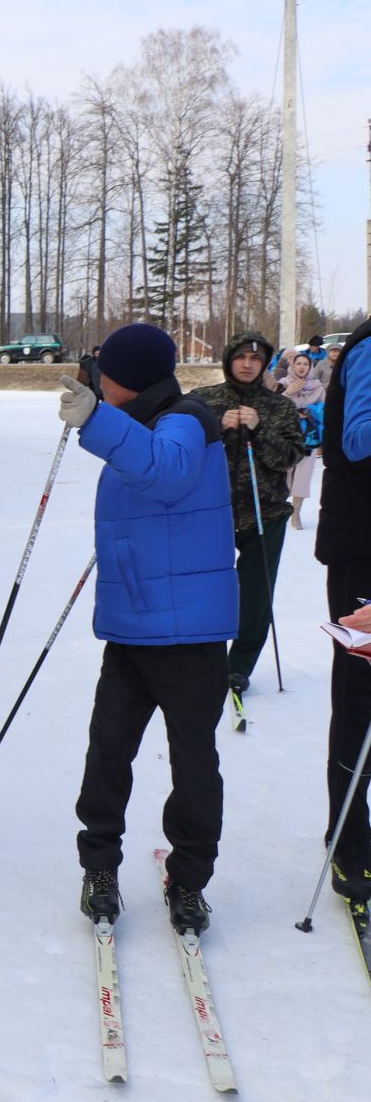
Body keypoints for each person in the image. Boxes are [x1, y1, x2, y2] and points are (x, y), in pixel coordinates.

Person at [56, 324, 236, 933]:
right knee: (108, 750)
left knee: (191, 761)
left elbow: (165, 473)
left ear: (124, 377)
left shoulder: (186, 418)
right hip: (136, 625)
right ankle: (99, 865)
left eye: (103, 371)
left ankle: (189, 879)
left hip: (188, 635)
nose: (96, 380)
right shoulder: (139, 421)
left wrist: (95, 423)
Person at [189, 332, 303, 697]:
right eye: (240, 357)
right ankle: (202, 661)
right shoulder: (202, 401)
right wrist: (215, 426)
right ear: (228, 360)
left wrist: (260, 428)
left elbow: (290, 457)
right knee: (207, 591)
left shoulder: (280, 407)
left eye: (255, 359)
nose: (247, 364)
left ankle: (239, 667)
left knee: (255, 597)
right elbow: (179, 447)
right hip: (210, 513)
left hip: (264, 513)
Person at [315, 316, 371, 900]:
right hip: (363, 548)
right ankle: (348, 836)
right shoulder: (370, 347)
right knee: (360, 694)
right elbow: (357, 438)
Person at [280, 351, 325, 528]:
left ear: (310, 367)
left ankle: (296, 513)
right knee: (284, 474)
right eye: (298, 363)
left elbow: (324, 410)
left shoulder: (318, 387)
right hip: (286, 437)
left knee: (302, 477)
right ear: (293, 365)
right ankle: (281, 510)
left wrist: (310, 412)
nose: (301, 367)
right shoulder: (283, 384)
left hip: (309, 437)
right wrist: (288, 393)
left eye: (305, 364)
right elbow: (274, 408)